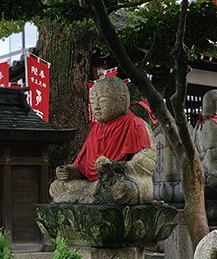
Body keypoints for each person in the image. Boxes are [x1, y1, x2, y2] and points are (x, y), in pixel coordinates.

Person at [50, 76, 156, 205]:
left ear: (122, 100)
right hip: (97, 184)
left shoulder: (136, 124)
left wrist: (114, 166)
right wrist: (70, 171)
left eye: (103, 101)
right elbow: (83, 166)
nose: (97, 107)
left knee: (122, 190)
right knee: (57, 186)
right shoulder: (96, 130)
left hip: (124, 180)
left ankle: (87, 195)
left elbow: (147, 164)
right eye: (93, 102)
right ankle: (92, 194)